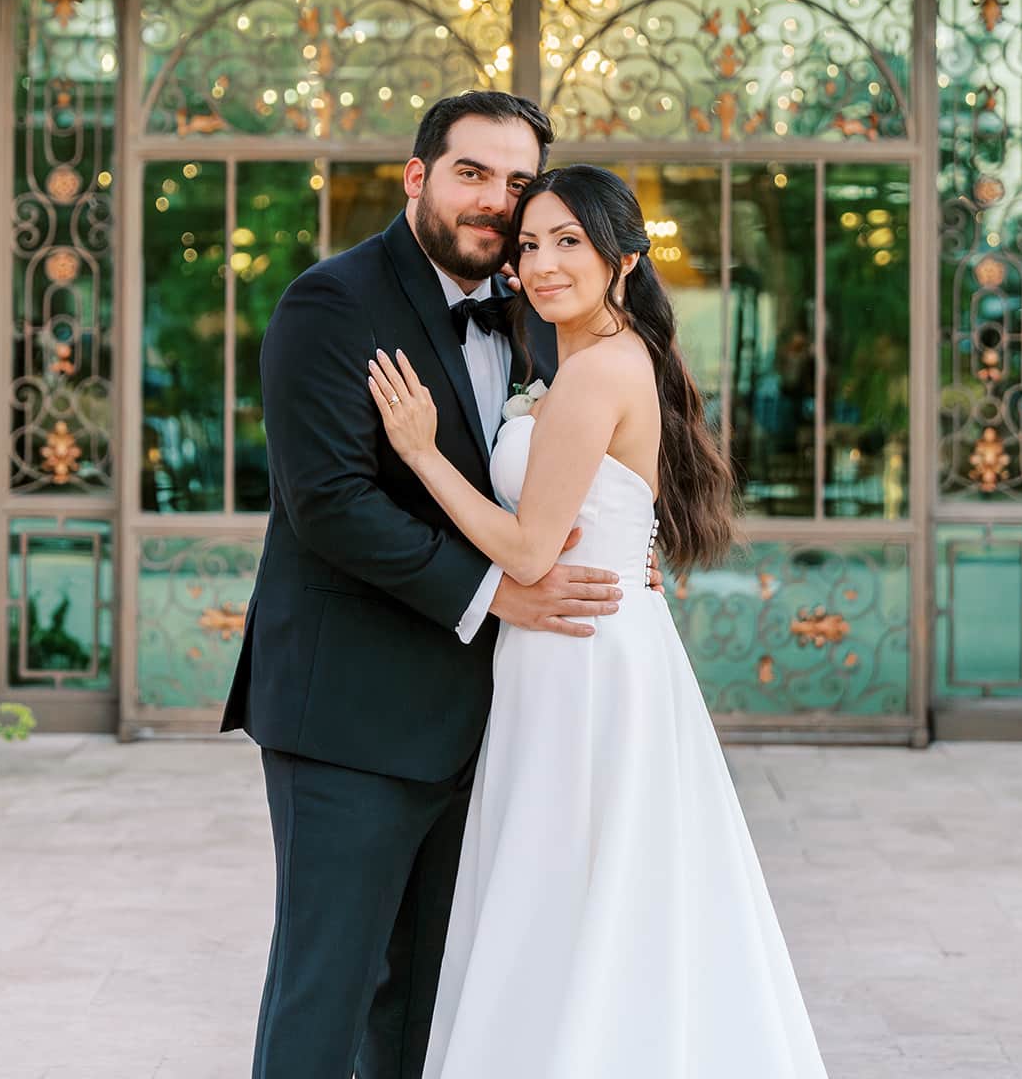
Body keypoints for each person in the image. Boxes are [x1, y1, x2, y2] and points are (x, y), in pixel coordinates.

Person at [221, 93, 663, 1079]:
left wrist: (626, 535)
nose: (496, 203)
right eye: (473, 173)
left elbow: (575, 460)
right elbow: (327, 501)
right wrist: (497, 594)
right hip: (350, 716)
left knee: (435, 1003)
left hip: (492, 721)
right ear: (416, 176)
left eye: (517, 184)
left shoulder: (535, 307)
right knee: (325, 988)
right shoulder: (330, 302)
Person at [369, 164, 831, 1079]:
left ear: (623, 257)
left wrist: (421, 454)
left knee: (565, 883)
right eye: (529, 244)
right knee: (588, 885)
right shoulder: (590, 361)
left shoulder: (595, 372)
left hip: (578, 660)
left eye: (567, 242)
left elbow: (531, 552)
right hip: (583, 649)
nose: (540, 264)